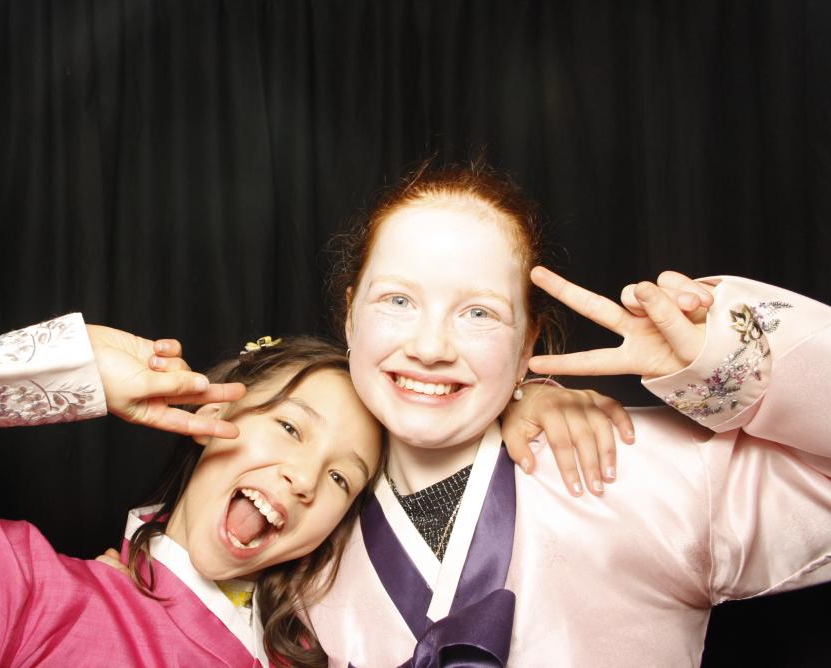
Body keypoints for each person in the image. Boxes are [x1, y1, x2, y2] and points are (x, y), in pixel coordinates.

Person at [297, 161, 831, 666]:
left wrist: (727, 364)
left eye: (479, 312)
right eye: (397, 301)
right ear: (350, 318)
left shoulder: (640, 470)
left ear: (527, 344)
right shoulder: (302, 520)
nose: (430, 347)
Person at [0, 316, 385, 666]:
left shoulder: (347, 646)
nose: (305, 480)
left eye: (341, 478)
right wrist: (66, 368)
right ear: (214, 414)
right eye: (289, 427)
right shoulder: (43, 607)